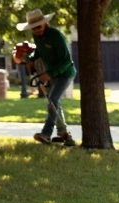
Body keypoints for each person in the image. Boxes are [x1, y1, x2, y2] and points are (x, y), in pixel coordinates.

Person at [14, 9, 77, 146]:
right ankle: (64, 135)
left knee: (53, 100)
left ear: (45, 23)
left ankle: (46, 133)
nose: (36, 30)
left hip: (65, 73)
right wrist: (30, 59)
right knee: (55, 103)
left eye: (38, 27)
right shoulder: (37, 36)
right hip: (51, 73)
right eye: (33, 28)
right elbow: (39, 50)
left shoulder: (56, 36)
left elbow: (66, 61)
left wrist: (49, 74)